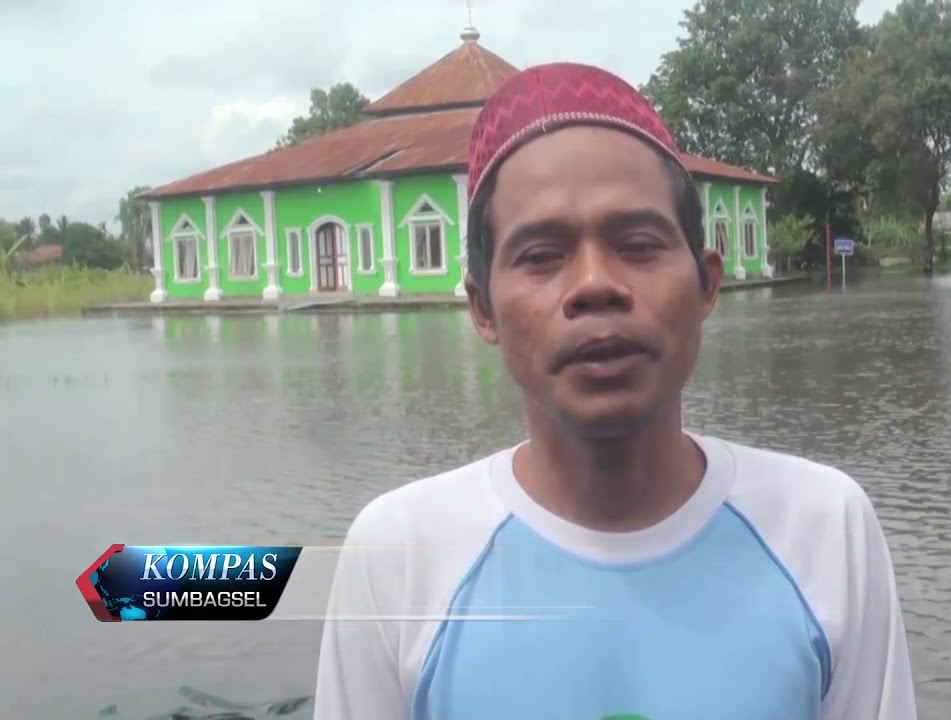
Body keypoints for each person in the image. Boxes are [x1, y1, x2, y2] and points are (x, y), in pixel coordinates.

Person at [314, 61, 917, 720]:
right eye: (541, 256)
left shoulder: (823, 528)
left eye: (637, 244)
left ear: (707, 284)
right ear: (483, 308)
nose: (595, 285)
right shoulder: (399, 555)